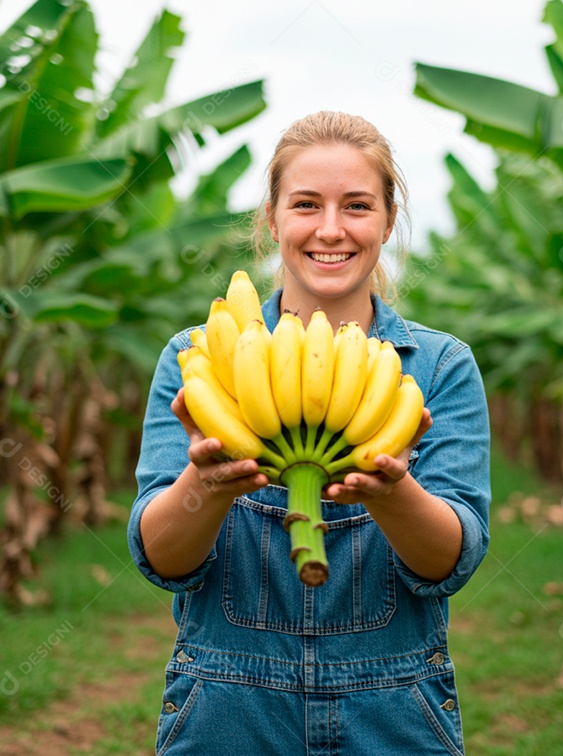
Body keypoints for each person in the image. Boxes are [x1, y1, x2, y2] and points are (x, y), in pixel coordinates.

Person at [129, 111, 491, 754]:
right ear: (272, 218)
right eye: (305, 205)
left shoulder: (438, 369)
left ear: (386, 218)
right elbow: (161, 560)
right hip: (226, 713)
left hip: (394, 713)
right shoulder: (202, 361)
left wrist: (390, 492)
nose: (331, 229)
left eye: (357, 205)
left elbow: (449, 562)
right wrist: (207, 484)